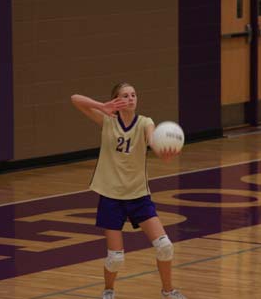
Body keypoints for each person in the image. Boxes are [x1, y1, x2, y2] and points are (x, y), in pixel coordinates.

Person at [71, 83, 187, 299]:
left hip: (138, 195)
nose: (131, 98)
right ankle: (108, 291)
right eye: (125, 95)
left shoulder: (145, 123)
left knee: (165, 247)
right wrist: (102, 106)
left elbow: (153, 141)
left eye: (134, 94)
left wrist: (163, 150)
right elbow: (75, 98)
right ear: (116, 99)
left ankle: (168, 291)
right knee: (116, 258)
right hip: (111, 197)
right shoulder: (107, 120)